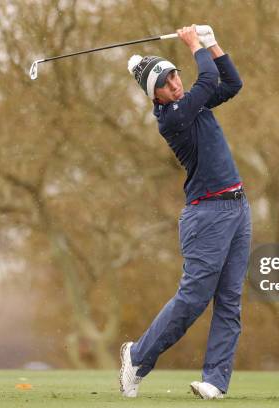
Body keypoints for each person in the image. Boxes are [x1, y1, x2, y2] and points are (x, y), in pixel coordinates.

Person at [119, 24, 252, 400]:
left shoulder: (192, 103)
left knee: (228, 300)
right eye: (165, 82)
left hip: (238, 208)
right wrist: (195, 44)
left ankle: (214, 381)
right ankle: (138, 357)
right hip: (206, 215)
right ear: (155, 96)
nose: (175, 83)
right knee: (193, 299)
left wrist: (212, 43)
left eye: (174, 74)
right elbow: (208, 77)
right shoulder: (173, 116)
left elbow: (231, 82)